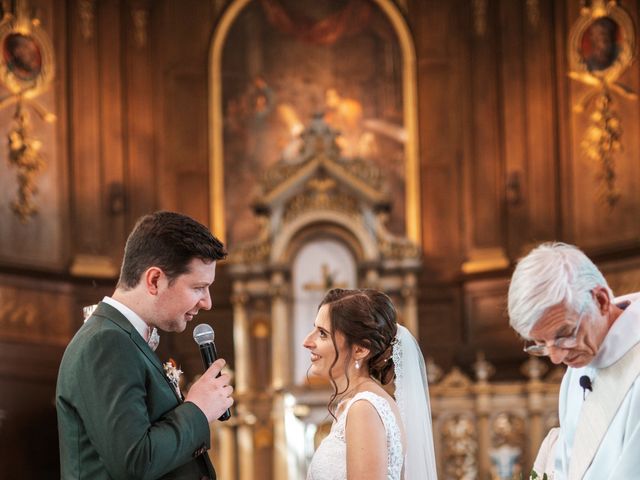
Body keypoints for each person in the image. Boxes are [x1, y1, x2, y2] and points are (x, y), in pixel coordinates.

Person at [56, 211, 234, 480]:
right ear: (154, 280)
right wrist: (198, 409)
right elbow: (136, 461)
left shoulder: (124, 338)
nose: (207, 302)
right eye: (198, 287)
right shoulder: (106, 342)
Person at [508, 242, 640, 479]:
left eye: (565, 334)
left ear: (600, 300)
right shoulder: (578, 366)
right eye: (542, 344)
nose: (557, 358)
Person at [303, 288, 438, 480]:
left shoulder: (364, 408)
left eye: (323, 334)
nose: (307, 341)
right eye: (314, 329)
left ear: (360, 350)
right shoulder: (355, 404)